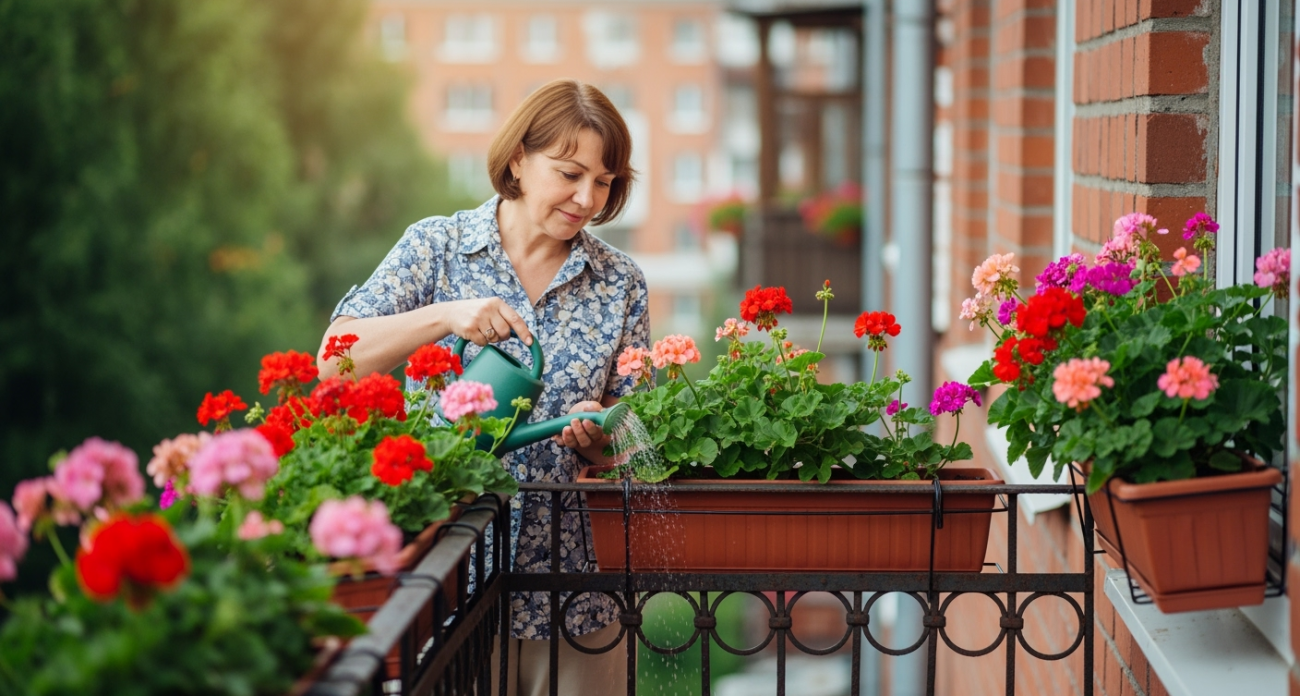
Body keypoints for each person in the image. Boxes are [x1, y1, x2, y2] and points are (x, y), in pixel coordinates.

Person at [317, 79, 648, 695]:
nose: (585, 198)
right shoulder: (436, 247)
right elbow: (335, 362)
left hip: (573, 593)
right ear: (518, 159)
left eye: (603, 183)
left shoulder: (620, 282)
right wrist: (444, 317)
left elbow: (639, 427)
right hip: (444, 581)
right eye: (570, 172)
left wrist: (599, 430)